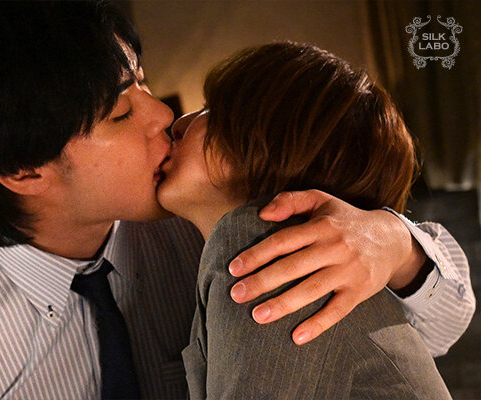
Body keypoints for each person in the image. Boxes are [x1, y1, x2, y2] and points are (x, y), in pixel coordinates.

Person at [0, 1, 473, 399]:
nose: (164, 114)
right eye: (121, 112)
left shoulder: (222, 222)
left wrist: (394, 244)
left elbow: (437, 330)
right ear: (23, 169)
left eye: (142, 81)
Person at [157, 42, 472, 399]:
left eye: (210, 110)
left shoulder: (263, 244)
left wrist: (398, 244)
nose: (178, 123)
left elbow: (450, 318)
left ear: (272, 143)